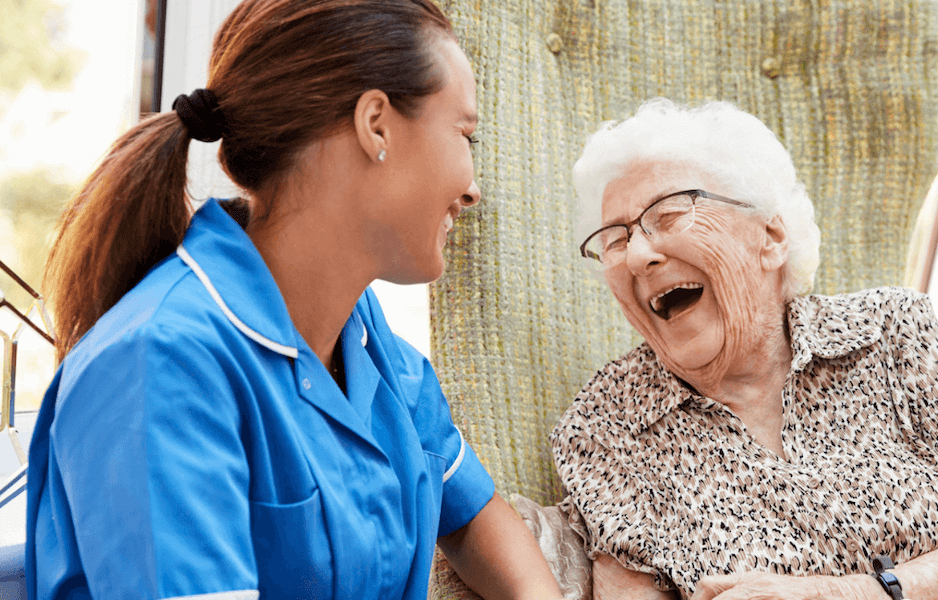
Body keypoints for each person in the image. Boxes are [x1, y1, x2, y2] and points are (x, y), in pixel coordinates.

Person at [25, 1, 563, 598]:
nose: (472, 187)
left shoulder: (365, 341)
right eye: (465, 135)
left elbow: (472, 519)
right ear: (376, 124)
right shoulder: (158, 363)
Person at [550, 99, 938, 600]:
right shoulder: (606, 424)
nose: (638, 255)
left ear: (770, 237)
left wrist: (848, 595)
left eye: (668, 214)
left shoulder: (891, 329)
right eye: (615, 240)